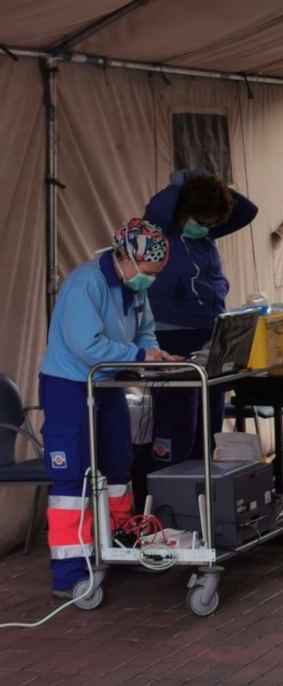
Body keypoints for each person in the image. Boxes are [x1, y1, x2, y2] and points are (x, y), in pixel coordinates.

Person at [39, 219, 180, 597]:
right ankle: (71, 571)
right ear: (127, 258)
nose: (150, 281)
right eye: (149, 273)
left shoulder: (132, 288)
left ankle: (120, 544)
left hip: (109, 382)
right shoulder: (87, 282)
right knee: (75, 477)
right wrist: (137, 354)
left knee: (118, 466)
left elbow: (145, 328)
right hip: (70, 385)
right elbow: (86, 343)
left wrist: (152, 354)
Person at [142, 170, 257, 470]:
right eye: (201, 221)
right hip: (171, 332)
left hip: (210, 329)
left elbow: (247, 211)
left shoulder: (205, 237)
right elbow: (157, 207)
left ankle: (204, 482)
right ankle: (169, 488)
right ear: (184, 211)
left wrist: (210, 183)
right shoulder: (161, 230)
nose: (205, 228)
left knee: (211, 411)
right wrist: (184, 182)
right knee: (177, 416)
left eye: (212, 223)